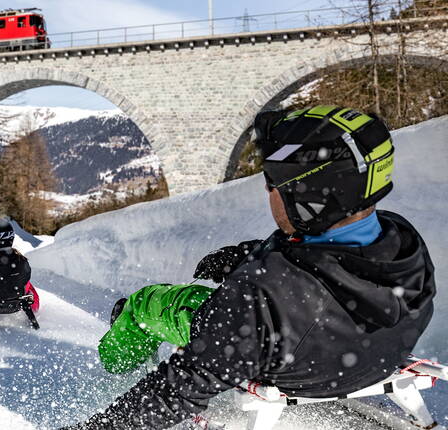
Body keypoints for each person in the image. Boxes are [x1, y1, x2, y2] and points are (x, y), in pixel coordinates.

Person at [67, 106, 436, 429]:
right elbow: (320, 259)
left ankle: (113, 365)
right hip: (368, 358)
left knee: (147, 303)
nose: (267, 191)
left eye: (273, 183)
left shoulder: (260, 296)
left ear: (306, 196)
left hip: (286, 368)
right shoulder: (403, 239)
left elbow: (177, 392)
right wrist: (247, 256)